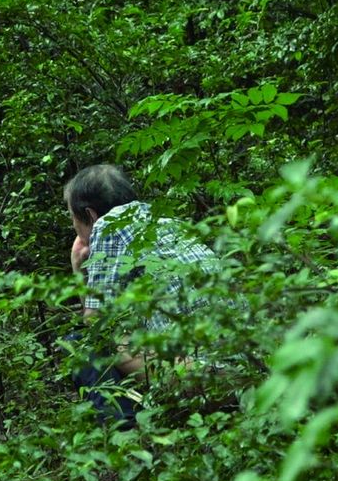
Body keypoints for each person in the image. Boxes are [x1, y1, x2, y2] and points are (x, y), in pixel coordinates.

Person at [63, 164, 222, 423]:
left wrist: (78, 271)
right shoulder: (169, 222)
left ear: (90, 215)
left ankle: (125, 431)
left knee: (84, 342)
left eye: (72, 216)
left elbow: (95, 322)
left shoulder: (109, 226)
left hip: (199, 377)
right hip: (242, 370)